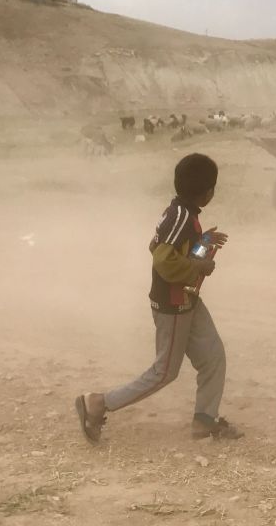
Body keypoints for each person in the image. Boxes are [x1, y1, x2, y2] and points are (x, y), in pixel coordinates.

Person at [75, 153, 243, 443]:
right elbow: (163, 262)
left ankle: (204, 419)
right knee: (164, 372)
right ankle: (98, 403)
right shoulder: (181, 217)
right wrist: (199, 266)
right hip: (174, 304)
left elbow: (165, 249)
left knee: (213, 355)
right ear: (208, 192)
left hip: (187, 299)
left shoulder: (181, 213)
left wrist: (202, 246)